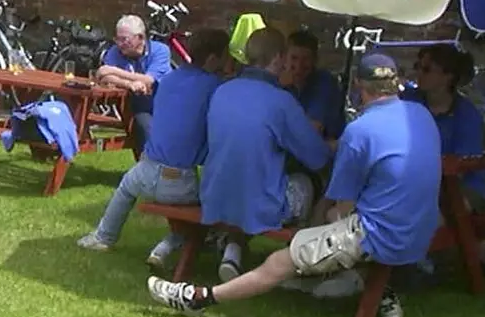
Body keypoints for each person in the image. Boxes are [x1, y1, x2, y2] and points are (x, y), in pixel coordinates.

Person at [149, 53, 440, 317]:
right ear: (395, 82)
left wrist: (310, 233)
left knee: (281, 259)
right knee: (322, 216)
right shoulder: (421, 115)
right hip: (421, 230)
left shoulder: (359, 131)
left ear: (358, 85)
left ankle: (199, 298)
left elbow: (341, 206)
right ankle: (373, 287)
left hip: (383, 236)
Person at [78, 29, 232, 269]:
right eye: (226, 56)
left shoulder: (169, 79)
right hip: (180, 181)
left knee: (125, 189)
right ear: (213, 60)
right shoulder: (215, 86)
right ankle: (168, 246)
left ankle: (103, 237)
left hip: (145, 169)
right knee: (210, 209)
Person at [197, 28, 331, 282]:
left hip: (213, 196)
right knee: (308, 183)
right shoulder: (280, 101)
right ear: (279, 58)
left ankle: (234, 248)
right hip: (261, 205)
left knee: (253, 176)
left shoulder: (222, 91)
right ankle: (300, 265)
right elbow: (317, 156)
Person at [404, 43, 485, 212]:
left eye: (427, 69)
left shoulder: (466, 115)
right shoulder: (407, 101)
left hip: (460, 187)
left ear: (447, 76)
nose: (419, 73)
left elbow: (462, 165)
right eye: (417, 67)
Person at [96, 14, 173, 154]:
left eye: (124, 39)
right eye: (117, 39)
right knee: (146, 129)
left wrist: (115, 70)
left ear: (140, 38)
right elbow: (104, 77)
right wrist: (129, 84)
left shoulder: (161, 51)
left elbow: (148, 80)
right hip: (139, 105)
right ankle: (148, 169)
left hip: (166, 104)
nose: (120, 44)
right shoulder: (115, 51)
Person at [283, 30, 345, 140]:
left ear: (315, 61)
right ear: (284, 59)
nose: (299, 66)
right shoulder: (277, 83)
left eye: (306, 59)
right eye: (294, 58)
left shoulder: (324, 83)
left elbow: (312, 130)